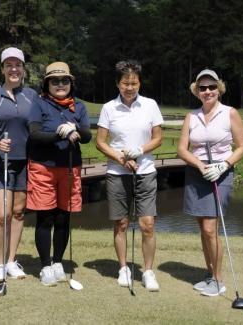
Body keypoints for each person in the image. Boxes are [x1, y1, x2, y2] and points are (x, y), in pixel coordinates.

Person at [177, 69, 243, 297]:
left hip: (221, 173)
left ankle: (218, 280)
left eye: (211, 87)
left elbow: (242, 147)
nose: (207, 91)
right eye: (202, 88)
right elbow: (181, 149)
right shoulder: (192, 116)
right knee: (203, 228)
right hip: (197, 173)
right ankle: (210, 274)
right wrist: (199, 165)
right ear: (197, 91)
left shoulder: (230, 113)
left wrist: (223, 165)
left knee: (210, 228)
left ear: (219, 89)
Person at [96, 60, 164, 291]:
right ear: (118, 84)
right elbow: (100, 142)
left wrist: (140, 150)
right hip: (117, 172)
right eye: (125, 83)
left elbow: (157, 138)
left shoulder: (150, 105)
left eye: (134, 83)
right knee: (122, 223)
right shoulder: (108, 108)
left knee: (147, 224)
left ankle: (147, 271)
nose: (130, 87)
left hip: (145, 171)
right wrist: (120, 158)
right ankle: (123, 268)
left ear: (140, 83)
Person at [27, 61, 92, 286]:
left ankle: (57, 262)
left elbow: (87, 135)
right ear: (47, 84)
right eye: (55, 81)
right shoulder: (39, 103)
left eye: (64, 80)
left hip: (70, 167)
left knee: (64, 217)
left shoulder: (79, 107)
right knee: (45, 218)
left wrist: (75, 130)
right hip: (43, 167)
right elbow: (34, 134)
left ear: (70, 84)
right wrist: (59, 134)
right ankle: (45, 266)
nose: (60, 84)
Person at [0, 47, 36, 282]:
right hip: (0, 161)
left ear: (23, 69)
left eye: (18, 65)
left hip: (25, 162)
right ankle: (0, 264)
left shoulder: (32, 95)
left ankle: (12, 261)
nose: (14, 69)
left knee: (19, 213)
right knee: (2, 215)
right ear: (2, 69)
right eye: (9, 65)